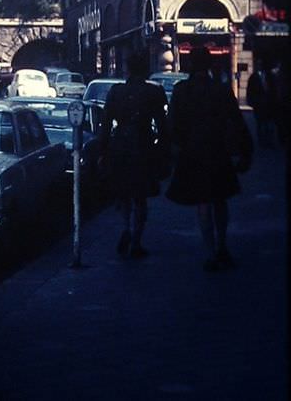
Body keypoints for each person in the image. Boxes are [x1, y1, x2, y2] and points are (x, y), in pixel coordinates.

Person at [167, 46, 253, 271]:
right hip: (218, 151)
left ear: (191, 65)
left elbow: (173, 125)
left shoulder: (181, 90)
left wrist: (174, 152)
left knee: (203, 202)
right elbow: (236, 121)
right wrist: (244, 151)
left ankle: (210, 251)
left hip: (193, 153)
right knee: (220, 200)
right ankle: (222, 245)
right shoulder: (221, 89)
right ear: (209, 64)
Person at [98, 51, 169, 259]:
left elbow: (105, 123)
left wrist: (103, 150)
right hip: (143, 145)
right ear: (145, 69)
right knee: (140, 195)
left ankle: (126, 227)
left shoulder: (116, 92)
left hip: (119, 145)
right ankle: (136, 239)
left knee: (124, 193)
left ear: (127, 69)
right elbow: (163, 125)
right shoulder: (153, 93)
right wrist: (164, 152)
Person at [246, 59, 276, 147]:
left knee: (269, 123)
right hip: (258, 104)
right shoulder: (253, 77)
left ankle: (269, 141)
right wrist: (251, 101)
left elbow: (273, 89)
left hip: (268, 103)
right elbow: (250, 90)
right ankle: (261, 141)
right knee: (260, 123)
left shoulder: (269, 76)